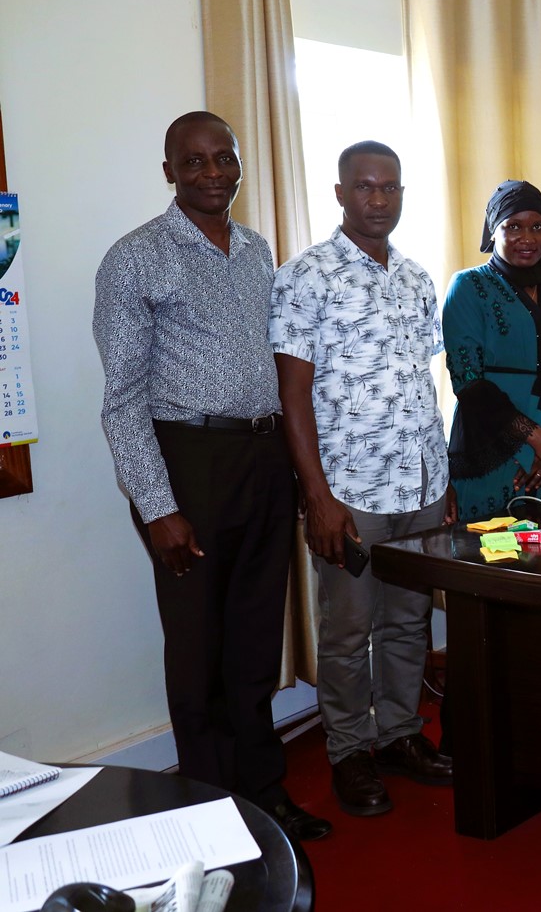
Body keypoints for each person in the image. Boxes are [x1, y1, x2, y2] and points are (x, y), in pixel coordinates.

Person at [92, 111, 331, 842]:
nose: (212, 173)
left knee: (257, 643)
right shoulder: (135, 258)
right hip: (186, 466)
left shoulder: (258, 250)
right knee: (197, 653)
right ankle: (206, 811)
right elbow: (123, 399)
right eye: (193, 162)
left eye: (222, 158)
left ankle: (264, 790)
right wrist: (157, 505)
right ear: (168, 171)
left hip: (263, 461)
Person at [270, 141, 456, 818]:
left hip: (421, 484)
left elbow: (422, 384)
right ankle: (350, 750)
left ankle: (402, 734)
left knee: (408, 621)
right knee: (348, 628)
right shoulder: (305, 277)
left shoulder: (416, 277)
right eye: (365, 187)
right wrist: (316, 496)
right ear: (341, 192)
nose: (378, 200)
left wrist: (445, 474)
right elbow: (293, 396)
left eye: (390, 188)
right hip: (349, 489)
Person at [443, 180, 541, 520]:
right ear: (493, 231)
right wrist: (535, 438)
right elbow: (468, 379)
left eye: (538, 226)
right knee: (489, 554)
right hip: (490, 447)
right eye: (514, 226)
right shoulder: (468, 286)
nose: (528, 237)